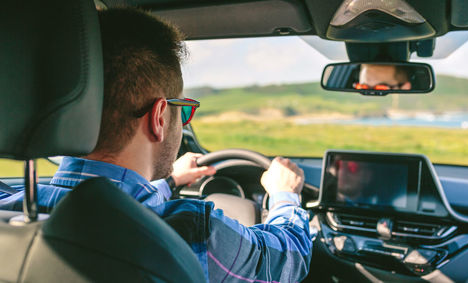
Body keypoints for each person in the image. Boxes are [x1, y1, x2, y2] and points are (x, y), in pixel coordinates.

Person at [0, 8, 312, 282]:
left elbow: (115, 204)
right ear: (160, 117)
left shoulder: (10, 209)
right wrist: (285, 195)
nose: (183, 121)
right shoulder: (194, 232)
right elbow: (288, 259)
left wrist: (171, 181)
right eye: (184, 110)